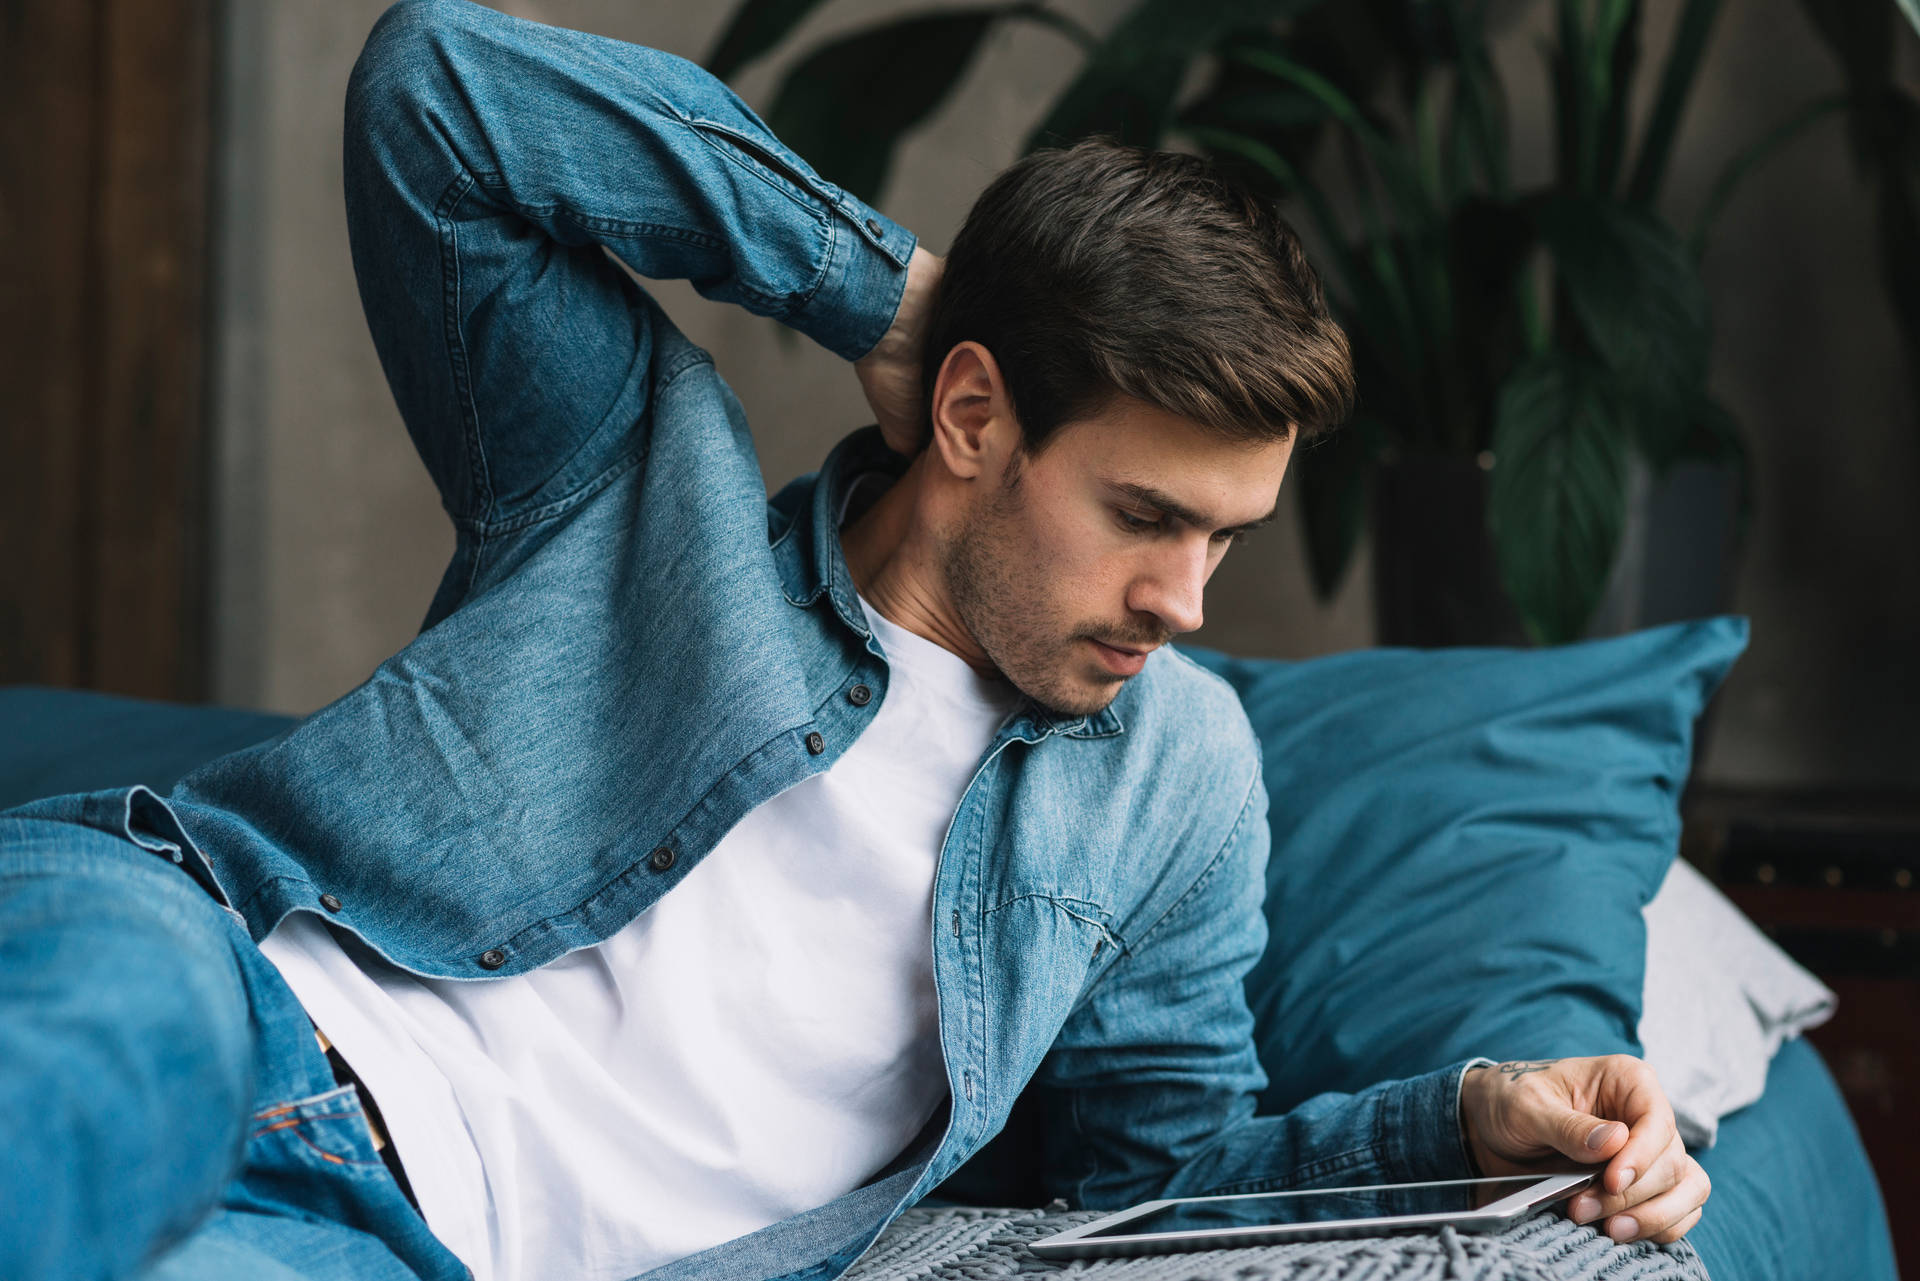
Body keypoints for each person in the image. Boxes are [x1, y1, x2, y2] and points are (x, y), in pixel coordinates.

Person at [0, 2, 1710, 1278]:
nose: (1189, 602)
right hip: (216, 977)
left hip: (405, 1242)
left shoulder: (1175, 780)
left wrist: (1460, 1119)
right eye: (1143, 516)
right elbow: (441, 93)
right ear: (973, 414)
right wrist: (888, 293)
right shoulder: (625, 487)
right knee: (65, 1077)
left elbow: (1154, 1190)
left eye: (1224, 539)